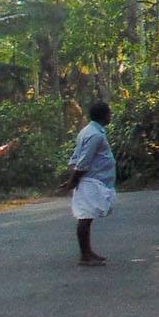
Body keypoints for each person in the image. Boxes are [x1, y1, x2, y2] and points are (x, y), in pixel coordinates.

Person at [60, 100, 116, 266]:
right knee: (85, 217)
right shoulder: (95, 135)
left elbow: (76, 158)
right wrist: (72, 181)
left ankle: (88, 252)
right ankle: (85, 255)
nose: (110, 116)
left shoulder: (89, 131)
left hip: (93, 179)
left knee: (88, 217)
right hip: (91, 180)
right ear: (104, 115)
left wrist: (71, 179)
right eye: (109, 113)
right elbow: (83, 161)